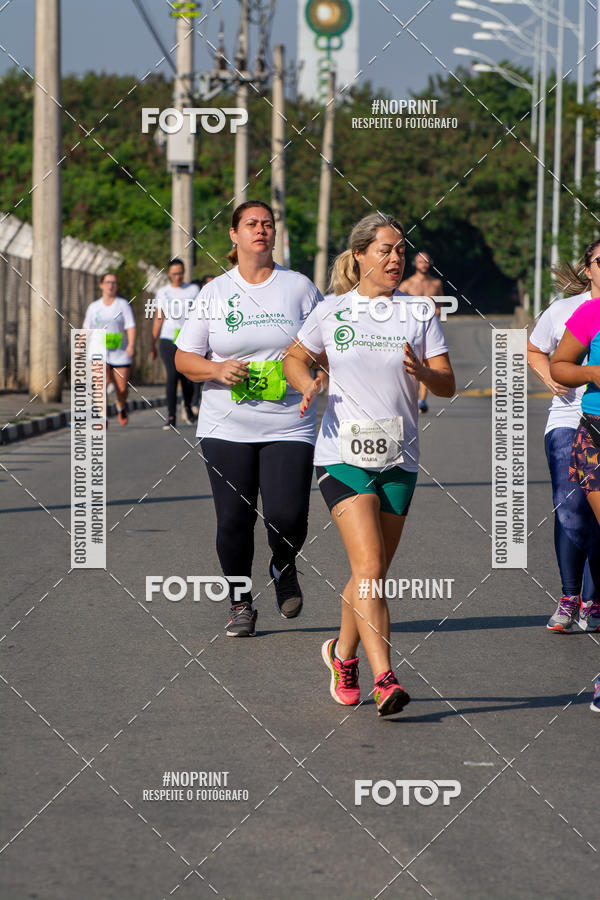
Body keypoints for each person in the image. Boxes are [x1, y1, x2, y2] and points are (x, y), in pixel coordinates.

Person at [283, 213, 455, 716]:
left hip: (399, 459)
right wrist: (308, 383)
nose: (395, 258)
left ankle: (342, 655)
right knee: (373, 571)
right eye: (385, 250)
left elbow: (446, 384)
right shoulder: (332, 310)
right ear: (359, 255)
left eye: (401, 250)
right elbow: (294, 357)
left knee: (367, 574)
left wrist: (424, 370)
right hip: (341, 456)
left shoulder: (419, 313)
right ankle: (385, 677)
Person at [175, 200, 323, 636]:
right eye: (251, 224)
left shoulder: (298, 288)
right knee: (234, 521)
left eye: (268, 224)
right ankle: (240, 602)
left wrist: (318, 380)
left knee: (288, 514)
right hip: (226, 425)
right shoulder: (214, 292)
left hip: (289, 422)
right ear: (234, 236)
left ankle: (283, 565)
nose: (261, 230)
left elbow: (325, 347)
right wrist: (217, 369)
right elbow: (185, 357)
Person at [527, 242, 600, 634]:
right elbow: (535, 349)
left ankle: (593, 600)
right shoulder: (565, 311)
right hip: (570, 419)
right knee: (571, 506)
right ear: (587, 269)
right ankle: (570, 595)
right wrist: (551, 377)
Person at [550, 287, 600, 633]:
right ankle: (576, 596)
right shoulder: (590, 313)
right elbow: (559, 366)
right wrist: (591, 373)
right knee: (574, 513)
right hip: (595, 436)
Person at [151, 258, 199, 430]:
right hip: (168, 338)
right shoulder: (163, 292)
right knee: (172, 375)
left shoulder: (193, 290)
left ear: (184, 272)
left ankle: (187, 405)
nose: (177, 277)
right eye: (174, 274)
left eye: (180, 273)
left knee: (187, 376)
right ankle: (171, 416)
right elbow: (158, 318)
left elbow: (199, 316)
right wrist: (152, 342)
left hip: (187, 338)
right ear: (169, 275)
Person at [83, 272, 135, 426]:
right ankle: (102, 417)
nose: (111, 285)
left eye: (114, 282)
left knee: (122, 388)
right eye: (107, 282)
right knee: (101, 383)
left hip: (120, 352)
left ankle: (121, 405)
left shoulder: (122, 304)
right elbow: (87, 328)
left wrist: (131, 345)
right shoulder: (94, 307)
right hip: (99, 350)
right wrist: (80, 345)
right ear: (101, 285)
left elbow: (130, 326)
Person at [400, 251, 443, 413]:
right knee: (410, 363)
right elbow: (396, 305)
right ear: (415, 264)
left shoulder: (436, 283)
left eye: (426, 262)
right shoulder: (407, 284)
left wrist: (438, 311)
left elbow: (441, 301)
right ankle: (410, 397)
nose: (423, 264)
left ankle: (422, 401)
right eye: (420, 262)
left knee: (427, 364)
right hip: (410, 329)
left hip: (429, 329)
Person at [189, 275, 216, 416]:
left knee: (207, 375)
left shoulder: (223, 300)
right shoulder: (198, 301)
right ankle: (192, 402)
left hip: (214, 347)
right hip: (199, 344)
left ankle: (197, 401)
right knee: (195, 373)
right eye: (208, 284)